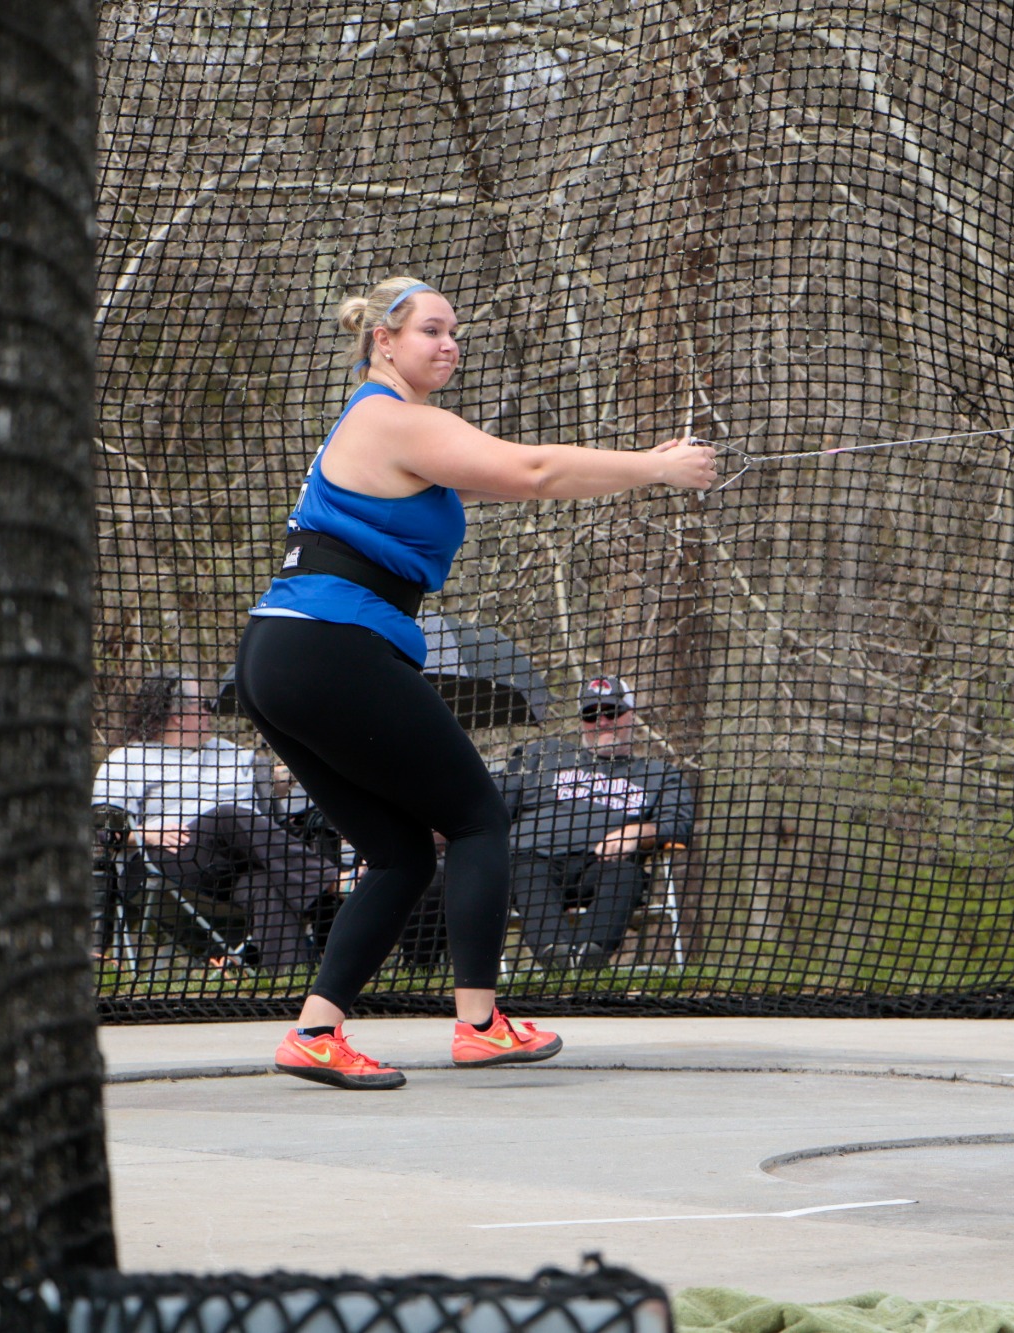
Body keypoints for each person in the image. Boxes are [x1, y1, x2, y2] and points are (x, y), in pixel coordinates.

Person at [232, 274, 717, 1089]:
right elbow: (534, 468)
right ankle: (481, 1024)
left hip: (282, 655)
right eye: (431, 329)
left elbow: (533, 476)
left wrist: (641, 470)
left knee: (399, 855)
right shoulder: (393, 418)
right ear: (383, 341)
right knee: (479, 817)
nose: (450, 344)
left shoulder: (390, 430)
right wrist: (656, 467)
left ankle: (315, 1032)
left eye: (455, 331)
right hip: (328, 647)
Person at [91, 674, 344, 968]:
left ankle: (291, 978)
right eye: (204, 705)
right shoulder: (128, 760)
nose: (211, 711)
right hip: (173, 859)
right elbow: (105, 829)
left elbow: (271, 781)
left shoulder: (228, 752)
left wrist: (307, 764)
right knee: (226, 815)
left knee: (263, 885)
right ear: (178, 715)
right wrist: (146, 833)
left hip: (238, 866)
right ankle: (333, 881)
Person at [501, 674, 696, 970]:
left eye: (612, 712)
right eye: (591, 715)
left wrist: (637, 832)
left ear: (631, 715)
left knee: (626, 876)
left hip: (604, 865)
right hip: (532, 861)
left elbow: (679, 825)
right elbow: (492, 807)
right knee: (525, 872)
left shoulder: (659, 774)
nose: (602, 722)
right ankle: (558, 956)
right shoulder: (541, 756)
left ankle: (587, 958)